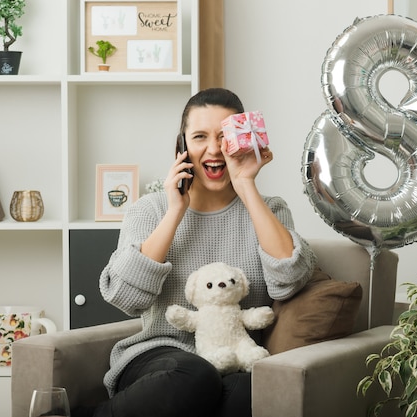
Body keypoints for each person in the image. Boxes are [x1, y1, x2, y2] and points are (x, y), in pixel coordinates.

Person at [83, 88, 316, 417]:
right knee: (196, 375)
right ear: (181, 146)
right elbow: (125, 297)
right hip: (160, 360)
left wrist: (246, 185)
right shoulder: (149, 211)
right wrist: (175, 211)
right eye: (200, 137)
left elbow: (289, 282)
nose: (213, 149)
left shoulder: (270, 210)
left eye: (225, 137)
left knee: (250, 393)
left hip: (233, 360)